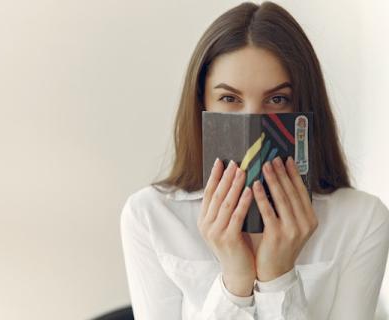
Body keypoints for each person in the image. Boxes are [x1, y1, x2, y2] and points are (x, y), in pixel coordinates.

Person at [119, 1, 389, 319]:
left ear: (304, 109)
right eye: (229, 99)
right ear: (202, 105)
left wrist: (278, 277)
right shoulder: (151, 217)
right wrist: (236, 279)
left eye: (277, 99)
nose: (253, 123)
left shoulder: (360, 219)